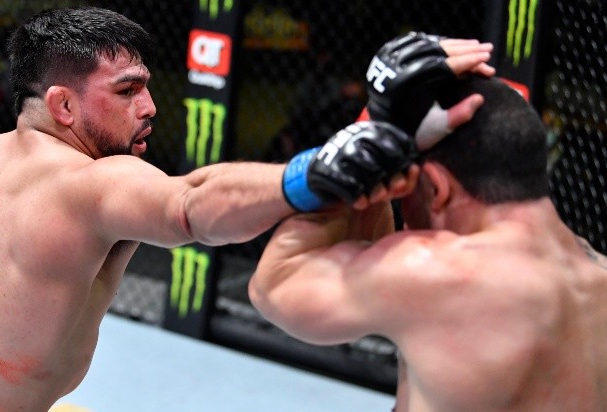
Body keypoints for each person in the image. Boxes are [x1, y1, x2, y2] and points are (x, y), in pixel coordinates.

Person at [0, 6, 495, 410]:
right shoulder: (92, 183)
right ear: (63, 106)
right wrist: (319, 171)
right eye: (127, 91)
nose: (150, 107)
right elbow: (192, 203)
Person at [249, 75, 607, 411]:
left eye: (405, 191)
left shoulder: (433, 269)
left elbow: (274, 285)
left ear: (436, 188)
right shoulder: (598, 274)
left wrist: (350, 164)